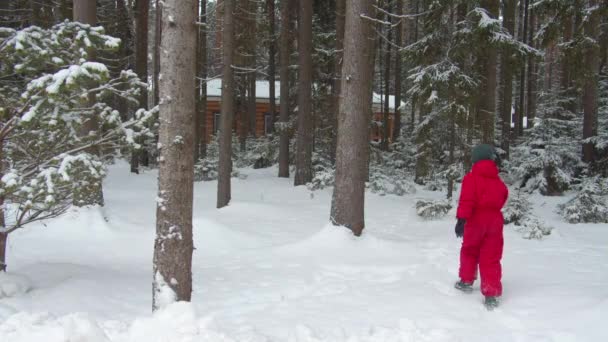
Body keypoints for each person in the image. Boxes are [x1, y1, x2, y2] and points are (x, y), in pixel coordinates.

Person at [454, 144, 508, 310]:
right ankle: (491, 294)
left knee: (469, 250)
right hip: (494, 221)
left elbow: (467, 200)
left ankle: (466, 281)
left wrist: (462, 219)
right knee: (491, 256)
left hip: (475, 220)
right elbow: (503, 196)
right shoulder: (498, 181)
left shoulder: (471, 178)